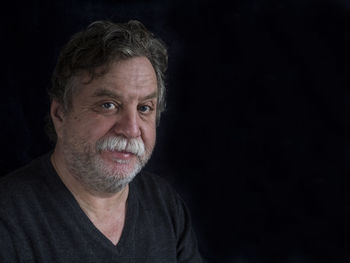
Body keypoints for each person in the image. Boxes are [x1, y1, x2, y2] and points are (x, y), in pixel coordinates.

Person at [0, 20, 202, 262]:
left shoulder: (165, 206)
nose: (131, 129)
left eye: (144, 108)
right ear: (60, 114)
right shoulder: (9, 220)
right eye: (108, 105)